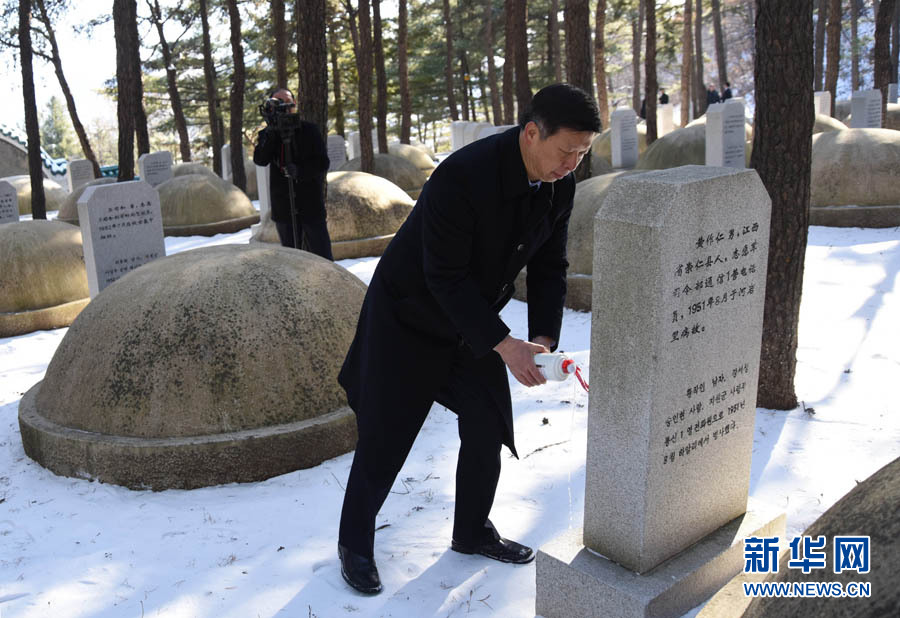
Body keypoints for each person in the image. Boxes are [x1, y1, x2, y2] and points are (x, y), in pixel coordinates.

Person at [336, 84, 600, 595]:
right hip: (408, 318)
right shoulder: (463, 175)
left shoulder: (558, 185)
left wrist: (542, 338)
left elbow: (549, 265)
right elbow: (444, 276)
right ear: (530, 133)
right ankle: (355, 542)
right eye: (566, 150)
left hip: (473, 321)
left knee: (487, 422)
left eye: (582, 153)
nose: (572, 164)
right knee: (386, 435)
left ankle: (472, 529)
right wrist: (505, 344)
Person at [252, 88, 333, 260]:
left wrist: (301, 172)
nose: (282, 107)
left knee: (322, 255)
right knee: (292, 258)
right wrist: (272, 133)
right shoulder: (267, 134)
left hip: (310, 204)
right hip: (283, 207)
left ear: (293, 105)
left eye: (285, 102)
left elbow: (322, 162)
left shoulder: (309, 130)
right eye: (276, 102)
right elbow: (260, 159)